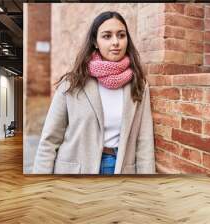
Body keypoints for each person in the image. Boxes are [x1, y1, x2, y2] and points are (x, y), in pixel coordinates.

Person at [32, 11, 155, 175]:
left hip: (121, 168)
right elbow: (49, 140)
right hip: (76, 170)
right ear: (95, 42)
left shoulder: (138, 83)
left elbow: (144, 141)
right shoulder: (72, 83)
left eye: (121, 35)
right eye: (107, 36)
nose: (116, 42)